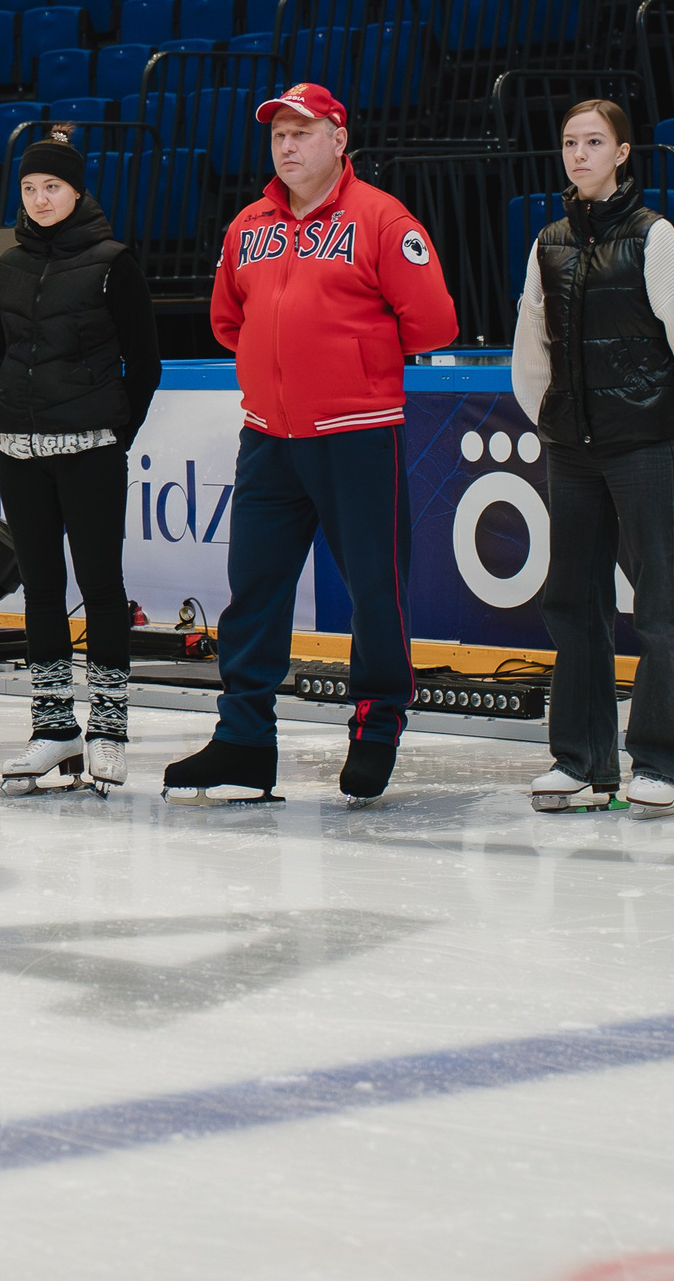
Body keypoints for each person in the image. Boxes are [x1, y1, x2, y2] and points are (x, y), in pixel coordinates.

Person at [168, 82, 458, 805]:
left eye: (303, 132)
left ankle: (378, 720)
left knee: (374, 588)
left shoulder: (382, 219)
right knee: (254, 591)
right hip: (268, 435)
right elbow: (228, 321)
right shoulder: (249, 224)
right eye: (278, 135)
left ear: (339, 140)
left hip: (356, 435)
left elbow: (435, 325)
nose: (288, 146)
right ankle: (242, 738)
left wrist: (353, 358)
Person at [512, 99, 674, 817]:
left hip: (646, 445)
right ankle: (580, 759)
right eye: (569, 142)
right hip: (572, 450)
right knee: (571, 602)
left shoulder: (655, 239)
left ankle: (665, 760)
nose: (579, 154)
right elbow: (531, 348)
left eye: (593, 142)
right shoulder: (548, 241)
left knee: (662, 604)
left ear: (623, 151)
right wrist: (552, 421)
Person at [0, 130, 163, 795]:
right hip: (18, 451)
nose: (39, 199)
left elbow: (145, 362)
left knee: (101, 587)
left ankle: (109, 728)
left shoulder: (114, 260)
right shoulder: (7, 266)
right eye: (30, 189)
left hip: (91, 451)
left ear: (77, 190)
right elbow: (4, 349)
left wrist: (118, 431)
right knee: (41, 591)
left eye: (51, 187)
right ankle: (53, 725)